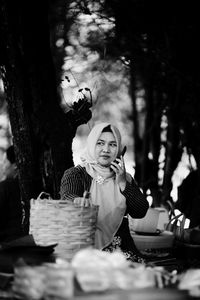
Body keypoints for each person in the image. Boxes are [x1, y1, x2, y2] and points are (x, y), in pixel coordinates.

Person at [60, 122, 149, 262]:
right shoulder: (76, 174)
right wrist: (76, 201)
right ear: (91, 145)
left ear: (119, 150)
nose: (106, 149)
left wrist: (123, 184)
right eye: (100, 143)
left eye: (113, 145)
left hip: (120, 248)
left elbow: (140, 211)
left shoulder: (125, 178)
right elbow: (67, 196)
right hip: (83, 247)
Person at [0, 145, 24, 243]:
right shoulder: (32, 184)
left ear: (15, 165)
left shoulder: (5, 187)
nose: (2, 164)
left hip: (9, 244)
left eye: (5, 161)